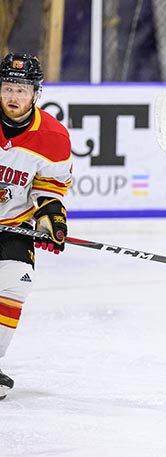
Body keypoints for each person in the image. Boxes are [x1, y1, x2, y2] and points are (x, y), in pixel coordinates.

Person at [0, 52, 72, 400]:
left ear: (35, 93)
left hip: (12, 224)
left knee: (16, 283)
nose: (13, 97)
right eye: (7, 88)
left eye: (22, 90)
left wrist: (51, 217)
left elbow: (50, 187)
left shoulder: (53, 137)